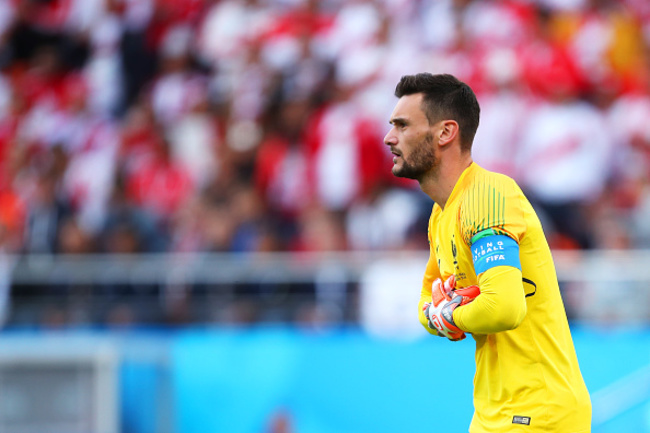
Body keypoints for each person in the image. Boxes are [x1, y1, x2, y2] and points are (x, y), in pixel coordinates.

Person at [383, 73, 591, 432]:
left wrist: (449, 315)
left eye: (402, 125)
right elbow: (424, 304)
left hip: (537, 411)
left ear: (446, 132)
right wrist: (443, 314)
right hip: (492, 411)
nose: (389, 138)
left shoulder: (489, 194)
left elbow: (504, 307)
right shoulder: (441, 212)